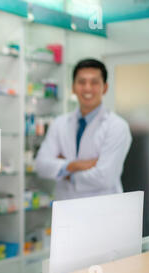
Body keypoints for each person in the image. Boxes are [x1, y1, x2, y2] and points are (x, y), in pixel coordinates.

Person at [35, 58, 132, 200]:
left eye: (94, 82)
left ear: (104, 88)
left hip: (102, 210)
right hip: (66, 208)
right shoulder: (59, 123)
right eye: (81, 82)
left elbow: (104, 177)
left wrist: (64, 172)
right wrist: (75, 165)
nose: (87, 88)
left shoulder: (117, 126)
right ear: (73, 87)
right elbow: (41, 165)